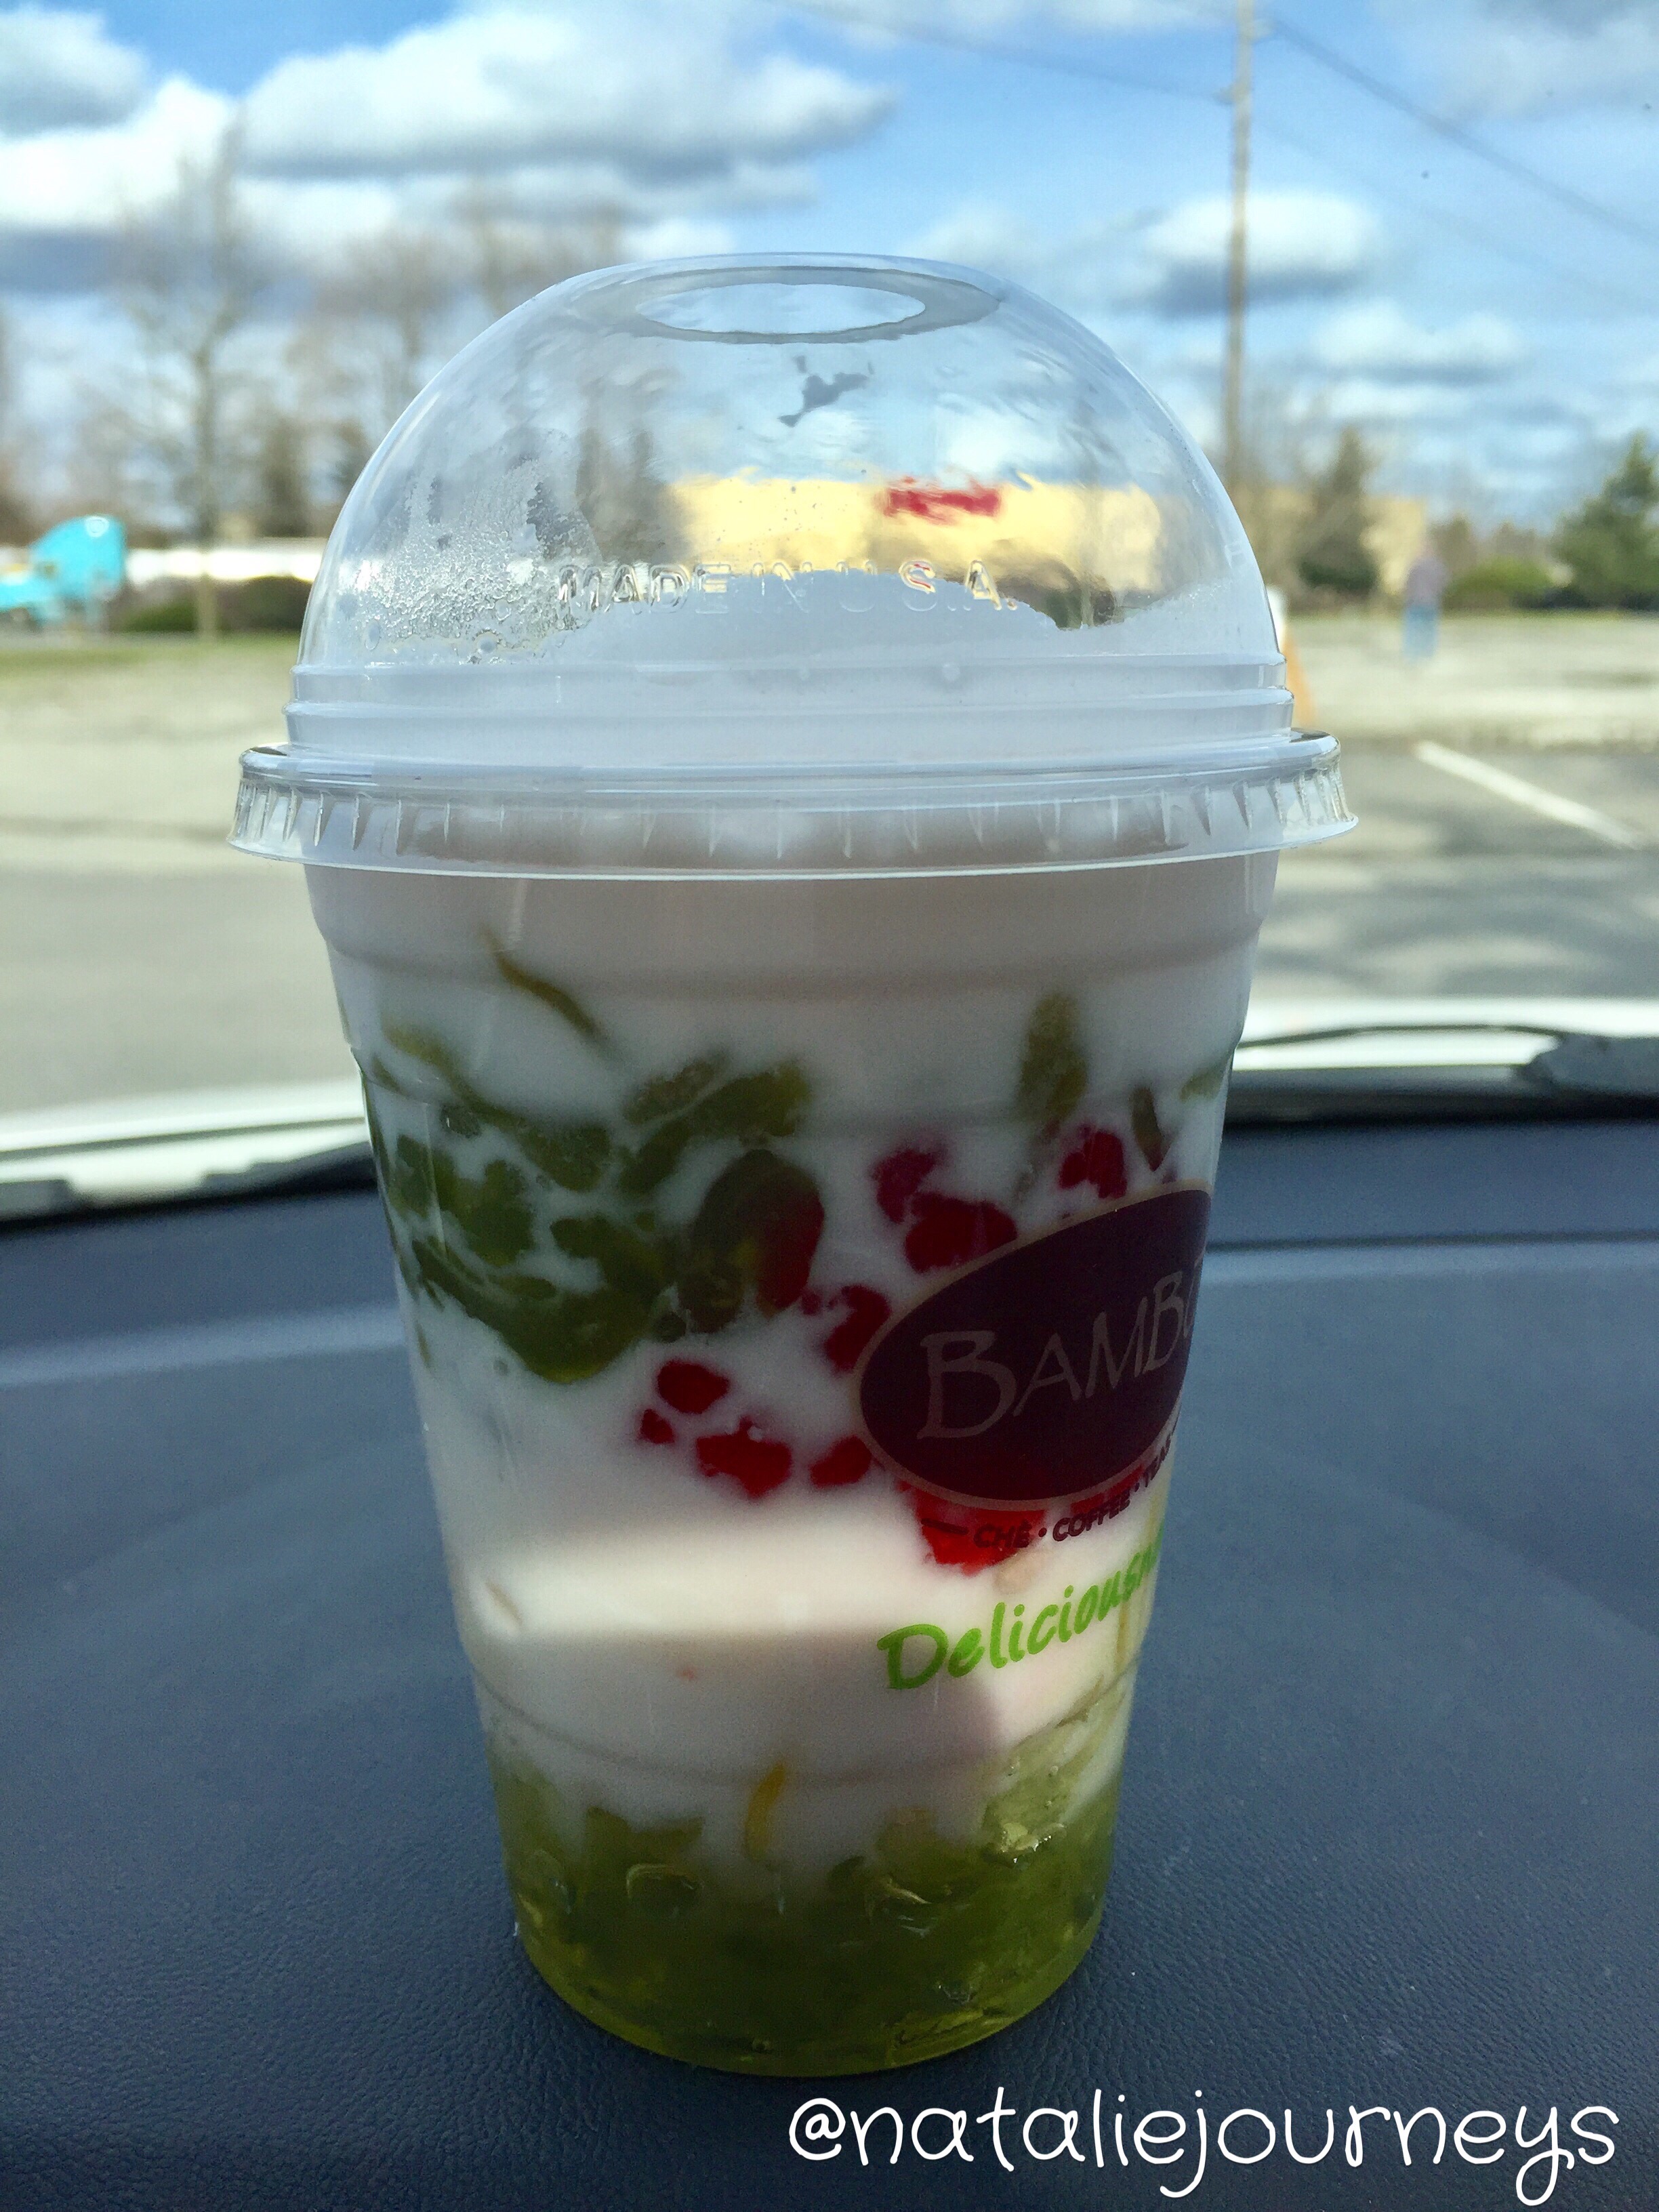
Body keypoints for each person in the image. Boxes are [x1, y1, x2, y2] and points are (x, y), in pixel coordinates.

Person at [1402, 546, 1449, 661]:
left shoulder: (1415, 566)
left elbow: (1408, 584)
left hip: (1415, 602)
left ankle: (1412, 655)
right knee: (1429, 630)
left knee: (1414, 630)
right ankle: (1428, 654)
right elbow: (1444, 584)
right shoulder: (1438, 567)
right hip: (1431, 603)